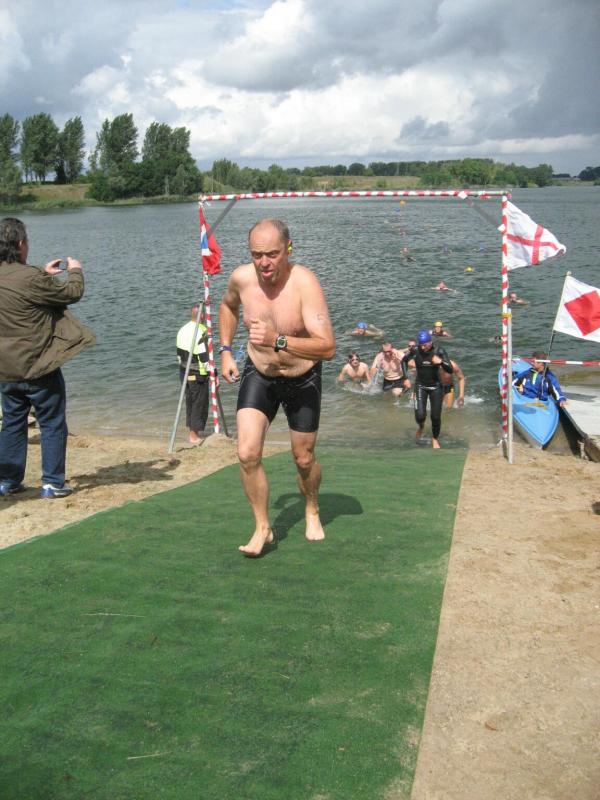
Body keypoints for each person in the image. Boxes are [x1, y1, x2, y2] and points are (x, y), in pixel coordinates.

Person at [219, 218, 335, 556]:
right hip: (260, 372)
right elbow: (228, 306)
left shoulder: (304, 284)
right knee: (247, 452)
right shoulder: (241, 278)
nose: (264, 263)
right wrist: (225, 351)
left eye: (272, 254)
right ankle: (262, 527)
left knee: (303, 458)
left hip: (303, 376)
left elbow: (327, 347)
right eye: (257, 255)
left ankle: (311, 507)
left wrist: (277, 339)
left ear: (288, 249)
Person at [0, 217, 95, 498]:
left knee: (12, 422)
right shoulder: (30, 278)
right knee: (52, 422)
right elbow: (72, 293)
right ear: (20, 244)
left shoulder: (25, 277)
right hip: (39, 366)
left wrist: (44, 273)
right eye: (26, 241)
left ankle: (7, 481)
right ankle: (52, 482)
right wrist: (75, 270)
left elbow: (18, 287)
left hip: (6, 369)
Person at [403, 330, 453, 448]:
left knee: (435, 417)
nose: (423, 347)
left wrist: (440, 362)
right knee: (420, 416)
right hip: (420, 385)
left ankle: (435, 438)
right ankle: (421, 427)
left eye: (425, 345)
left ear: (430, 342)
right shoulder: (415, 350)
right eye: (421, 344)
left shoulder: (439, 351)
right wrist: (405, 378)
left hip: (436, 386)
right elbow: (404, 361)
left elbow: (450, 369)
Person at [176, 304, 209, 445]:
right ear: (203, 316)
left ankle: (192, 432)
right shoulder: (201, 331)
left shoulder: (182, 330)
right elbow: (204, 357)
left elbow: (179, 355)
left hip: (184, 371)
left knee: (190, 401)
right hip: (197, 373)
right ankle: (194, 436)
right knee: (198, 403)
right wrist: (211, 373)